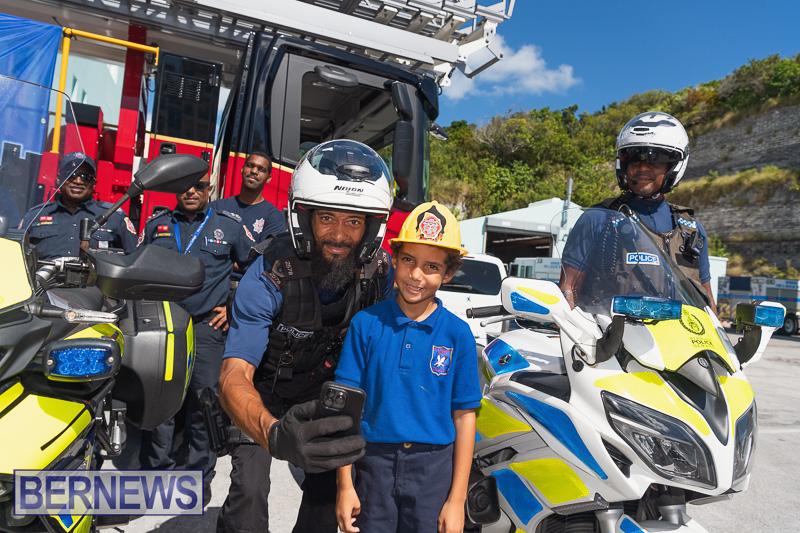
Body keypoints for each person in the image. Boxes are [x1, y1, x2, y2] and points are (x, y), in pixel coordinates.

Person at [217, 139, 395, 533]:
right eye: (327, 217)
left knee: (327, 496)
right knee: (249, 495)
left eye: (354, 222)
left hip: (323, 396)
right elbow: (233, 376)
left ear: (371, 228)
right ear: (304, 218)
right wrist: (273, 433)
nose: (339, 235)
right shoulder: (268, 275)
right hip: (261, 395)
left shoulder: (378, 274)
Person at [334, 201, 481, 533]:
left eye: (431, 266)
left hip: (434, 471)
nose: (416, 275)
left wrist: (456, 500)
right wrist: (345, 484)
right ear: (395, 259)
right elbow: (345, 409)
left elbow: (464, 416)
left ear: (448, 273)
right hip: (372, 464)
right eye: (408, 261)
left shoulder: (458, 335)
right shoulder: (365, 324)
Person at [138, 174, 256, 505]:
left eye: (199, 186)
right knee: (160, 402)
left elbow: (258, 268)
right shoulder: (158, 225)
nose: (190, 191)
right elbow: (138, 267)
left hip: (206, 329)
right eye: (184, 186)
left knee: (205, 405)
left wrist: (234, 305)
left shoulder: (228, 226)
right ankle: (155, 474)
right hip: (162, 327)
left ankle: (197, 479)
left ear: (210, 189)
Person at [560, 111, 717, 313]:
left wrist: (718, 330)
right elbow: (568, 290)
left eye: (655, 160)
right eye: (634, 159)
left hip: (684, 333)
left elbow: (707, 300)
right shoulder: (598, 218)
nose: (643, 168)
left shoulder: (691, 229)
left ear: (674, 166)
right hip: (614, 332)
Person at [19, 152, 137, 259]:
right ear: (59, 179)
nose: (78, 181)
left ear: (94, 183)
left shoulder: (114, 216)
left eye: (86, 177)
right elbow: (17, 256)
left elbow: (134, 258)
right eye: (71, 174)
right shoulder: (35, 215)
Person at [210, 151, 286, 244]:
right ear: (242, 169)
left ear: (268, 178)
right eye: (250, 166)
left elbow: (266, 252)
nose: (254, 171)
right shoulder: (216, 207)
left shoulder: (274, 217)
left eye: (261, 170)